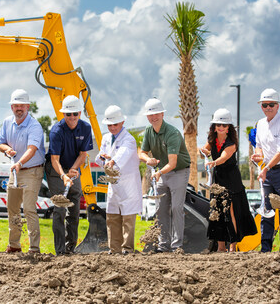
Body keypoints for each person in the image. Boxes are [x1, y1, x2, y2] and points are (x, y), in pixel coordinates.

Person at [201, 108, 257, 252]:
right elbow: (204, 151)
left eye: (224, 125)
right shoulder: (212, 140)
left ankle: (233, 245)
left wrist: (213, 162)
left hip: (231, 179)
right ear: (214, 127)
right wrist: (203, 152)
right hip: (218, 178)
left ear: (228, 128)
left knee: (231, 211)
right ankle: (220, 247)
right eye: (218, 125)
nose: (220, 127)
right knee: (218, 210)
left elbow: (224, 157)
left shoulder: (231, 143)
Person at [139, 98, 191, 252]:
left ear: (162, 114)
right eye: (150, 115)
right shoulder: (149, 131)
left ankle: (177, 246)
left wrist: (159, 172)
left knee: (176, 208)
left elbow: (173, 163)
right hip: (162, 172)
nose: (153, 117)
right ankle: (163, 245)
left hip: (178, 172)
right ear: (147, 117)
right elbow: (141, 153)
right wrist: (149, 159)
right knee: (160, 209)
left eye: (156, 114)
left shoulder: (172, 133)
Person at [0, 89, 45, 254]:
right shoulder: (7, 122)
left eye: (22, 105)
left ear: (28, 106)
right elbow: (1, 143)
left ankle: (34, 247)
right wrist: (7, 150)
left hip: (32, 170)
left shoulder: (34, 126)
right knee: (12, 208)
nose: (19, 108)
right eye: (15, 105)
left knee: (29, 208)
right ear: (12, 106)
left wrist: (19, 162)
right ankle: (14, 245)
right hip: (15, 170)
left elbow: (32, 149)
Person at [45, 95, 93, 255]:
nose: (72, 117)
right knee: (60, 207)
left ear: (80, 113)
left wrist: (72, 170)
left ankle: (70, 248)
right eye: (68, 114)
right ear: (63, 114)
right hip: (56, 169)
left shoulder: (85, 128)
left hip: (73, 168)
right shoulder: (57, 131)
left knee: (74, 206)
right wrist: (64, 176)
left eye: (75, 114)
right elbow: (54, 159)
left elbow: (83, 154)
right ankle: (60, 251)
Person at [251, 88, 280, 252]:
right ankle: (265, 249)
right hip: (267, 172)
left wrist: (266, 168)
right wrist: (257, 156)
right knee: (267, 212)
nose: (268, 107)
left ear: (278, 106)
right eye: (265, 105)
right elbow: (259, 147)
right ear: (261, 106)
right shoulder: (260, 124)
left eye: (271, 104)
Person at [95, 105, 142, 254]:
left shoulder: (129, 139)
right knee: (112, 217)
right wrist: (104, 159)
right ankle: (114, 249)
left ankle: (127, 249)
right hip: (113, 184)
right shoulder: (106, 138)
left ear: (122, 122)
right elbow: (100, 157)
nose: (112, 127)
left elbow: (123, 154)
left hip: (128, 184)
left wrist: (112, 161)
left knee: (128, 218)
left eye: (115, 124)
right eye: (109, 125)